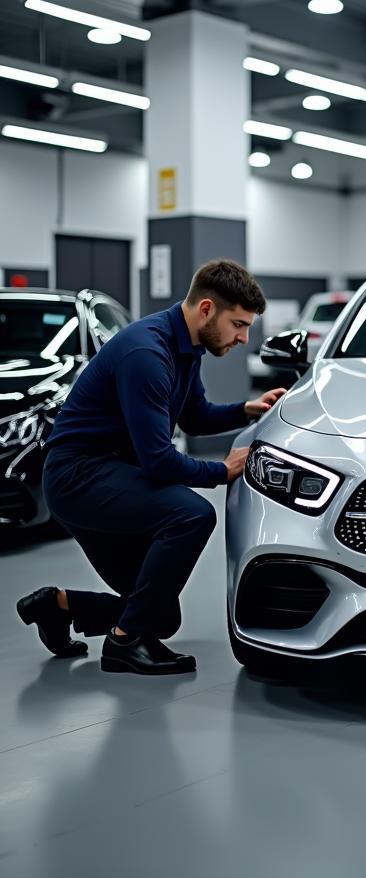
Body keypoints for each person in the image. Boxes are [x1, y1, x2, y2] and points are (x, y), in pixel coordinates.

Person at [16, 259, 286, 676]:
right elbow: (158, 462)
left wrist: (246, 410)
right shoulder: (147, 352)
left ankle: (57, 606)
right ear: (207, 309)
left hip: (109, 472)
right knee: (193, 514)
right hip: (78, 477)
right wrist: (221, 472)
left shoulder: (187, 348)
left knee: (160, 616)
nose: (244, 338)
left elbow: (195, 417)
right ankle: (123, 645)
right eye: (239, 324)